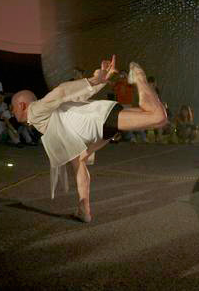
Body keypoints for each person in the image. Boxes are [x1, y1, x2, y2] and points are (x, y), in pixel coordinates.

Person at [11, 55, 167, 223]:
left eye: (12, 108)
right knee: (79, 162)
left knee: (158, 117)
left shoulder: (34, 110)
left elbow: (61, 92)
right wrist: (102, 80)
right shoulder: (47, 116)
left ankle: (139, 77)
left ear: (21, 105)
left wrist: (94, 79)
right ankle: (83, 208)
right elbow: (76, 96)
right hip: (100, 126)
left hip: (99, 119)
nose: (12, 112)